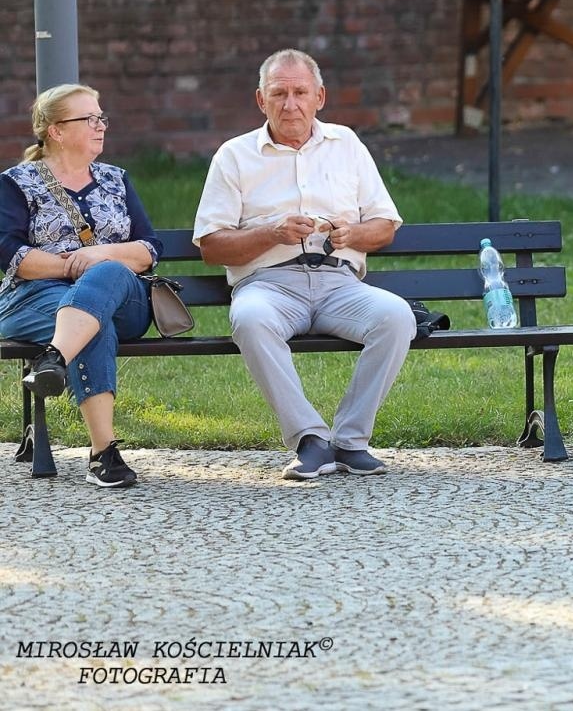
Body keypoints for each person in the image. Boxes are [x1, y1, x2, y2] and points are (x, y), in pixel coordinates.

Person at [194, 49, 414, 481]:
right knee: (251, 318)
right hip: (269, 284)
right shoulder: (234, 156)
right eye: (279, 93)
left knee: (395, 316)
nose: (289, 104)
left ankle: (350, 441)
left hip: (339, 283)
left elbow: (385, 225)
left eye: (300, 93)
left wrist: (350, 234)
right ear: (261, 100)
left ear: (320, 97)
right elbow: (211, 246)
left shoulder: (346, 144)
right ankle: (310, 440)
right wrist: (271, 234)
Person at [0, 84, 158, 488]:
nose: (100, 125)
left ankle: (54, 358)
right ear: (55, 131)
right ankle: (104, 453)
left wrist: (100, 257)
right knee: (93, 321)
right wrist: (76, 266)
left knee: (106, 273)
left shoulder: (116, 179)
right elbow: (13, 256)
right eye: (89, 119)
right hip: (34, 300)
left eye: (101, 117)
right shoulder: (16, 183)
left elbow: (150, 249)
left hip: (126, 300)